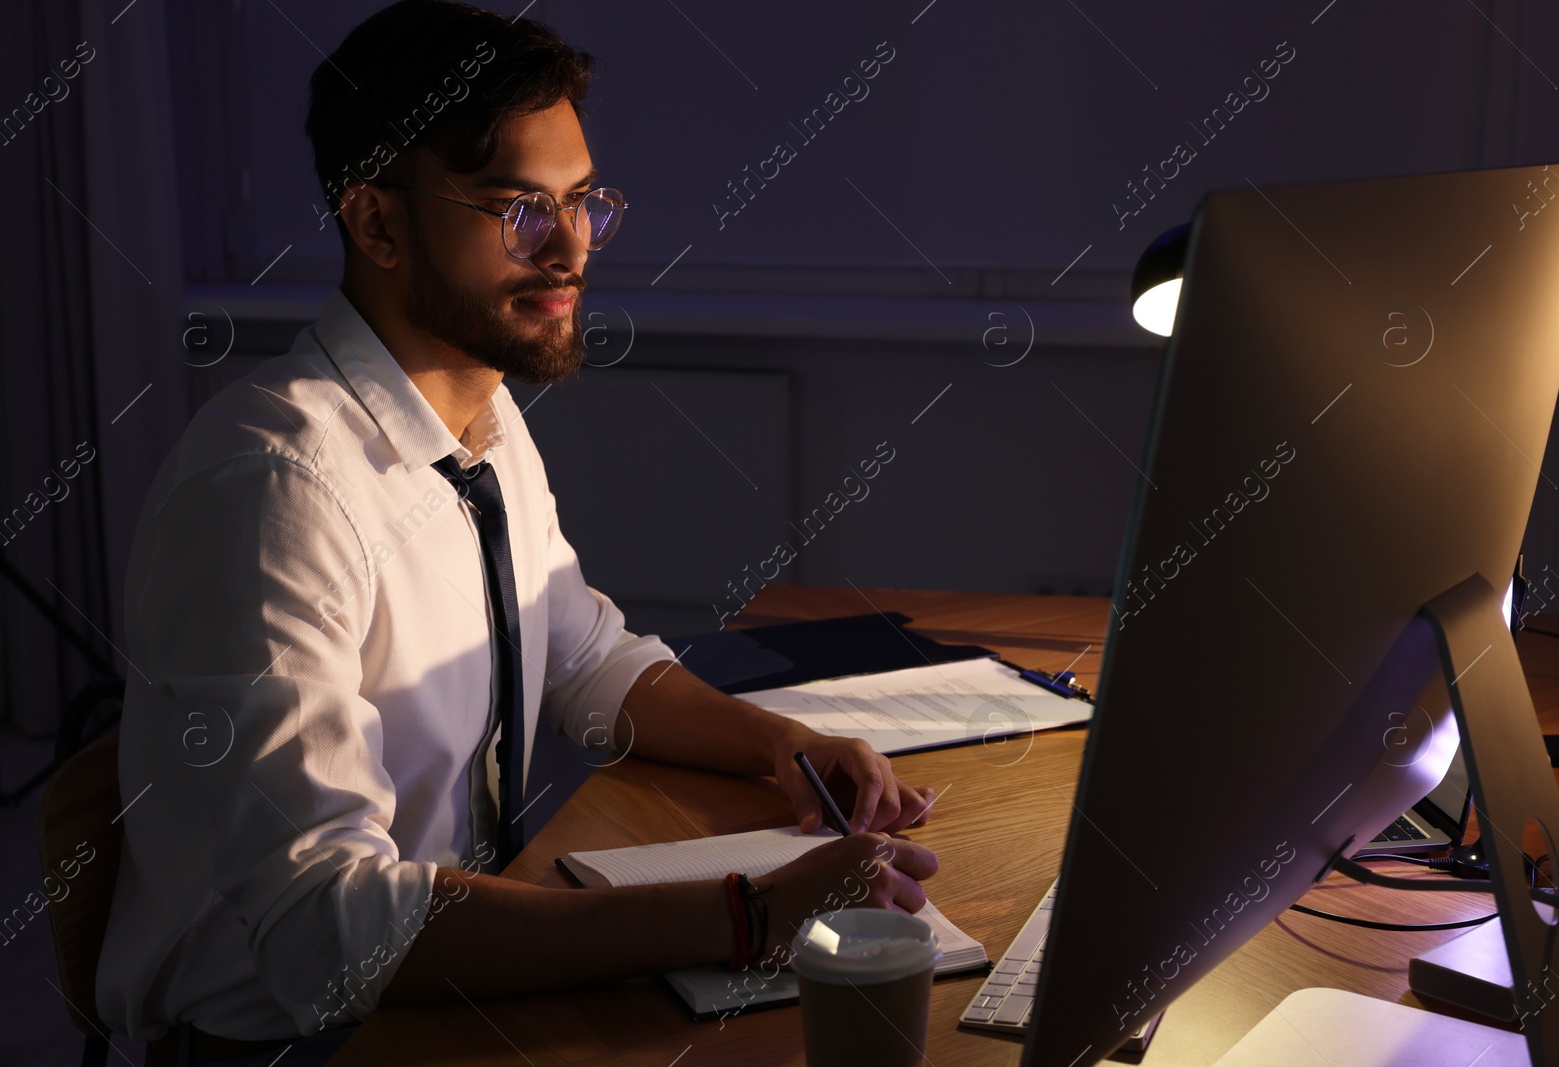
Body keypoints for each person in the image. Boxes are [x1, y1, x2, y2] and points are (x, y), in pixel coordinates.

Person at [95, 3, 939, 1064]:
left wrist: (784, 746)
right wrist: (745, 913)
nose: (570, 248)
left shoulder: (479, 423)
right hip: (297, 1036)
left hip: (445, 970)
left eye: (582, 201)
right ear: (378, 225)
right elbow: (327, 938)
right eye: (517, 210)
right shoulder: (273, 487)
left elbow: (587, 658)